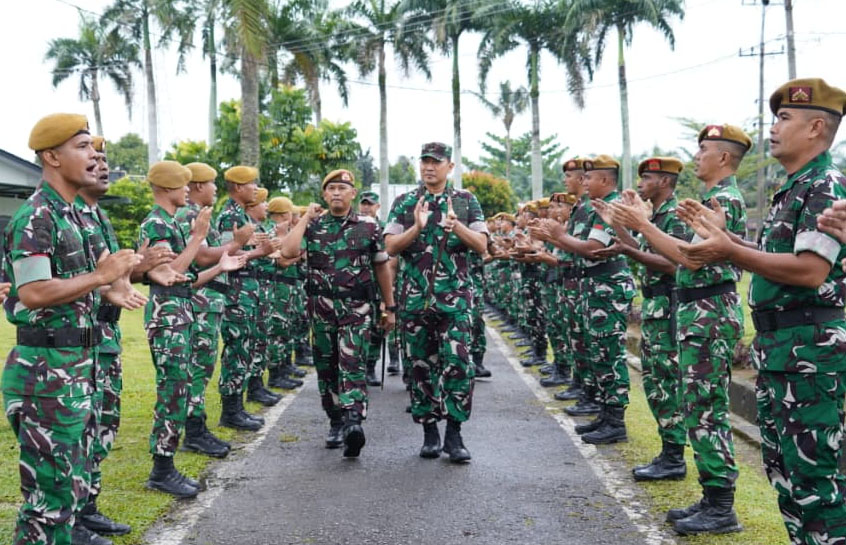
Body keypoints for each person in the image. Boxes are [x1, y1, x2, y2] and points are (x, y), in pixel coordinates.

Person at [681, 78, 846, 544]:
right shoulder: (794, 185)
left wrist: (726, 252)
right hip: (782, 348)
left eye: (783, 119)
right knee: (785, 473)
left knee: (813, 480)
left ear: (816, 127)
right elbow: (774, 254)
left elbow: (810, 270)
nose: (772, 129)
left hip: (809, 351)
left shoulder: (824, 184)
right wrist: (727, 238)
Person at [3, 113, 144, 545]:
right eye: (82, 147)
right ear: (52, 157)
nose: (94, 155)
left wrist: (108, 290)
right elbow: (34, 292)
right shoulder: (36, 216)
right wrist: (102, 278)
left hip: (78, 363)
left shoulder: (74, 216)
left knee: (71, 487)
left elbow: (74, 289)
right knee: (49, 502)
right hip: (45, 374)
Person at [610, 124, 750, 535]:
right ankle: (712, 498)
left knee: (707, 407)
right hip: (696, 309)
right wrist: (637, 223)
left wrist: (642, 224)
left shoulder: (724, 199)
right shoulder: (711, 199)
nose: (697, 155)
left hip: (708, 309)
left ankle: (722, 506)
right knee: (697, 405)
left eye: (704, 149)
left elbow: (688, 258)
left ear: (723, 157)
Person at [139, 161, 246, 498]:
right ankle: (161, 469)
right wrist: (198, 237)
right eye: (183, 184)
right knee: (172, 389)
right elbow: (171, 273)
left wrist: (220, 266)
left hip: (181, 311)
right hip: (167, 316)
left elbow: (188, 279)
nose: (188, 189)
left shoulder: (171, 222)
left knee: (181, 386)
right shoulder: (156, 224)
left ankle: (167, 463)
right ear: (168, 187)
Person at [384, 142, 488, 463]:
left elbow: (482, 245)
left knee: (458, 364)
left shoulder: (466, 201)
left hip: (455, 301)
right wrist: (417, 227)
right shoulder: (405, 202)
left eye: (436, 162)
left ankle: (454, 434)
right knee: (420, 366)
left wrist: (456, 225)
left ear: (449, 167)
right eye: (425, 162)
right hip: (414, 301)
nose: (429, 167)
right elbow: (389, 247)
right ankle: (429, 431)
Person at [280, 169, 395, 458]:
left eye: (342, 188)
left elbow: (381, 266)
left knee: (352, 364)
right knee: (327, 368)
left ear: (353, 194)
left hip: (357, 309)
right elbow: (287, 251)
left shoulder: (368, 227)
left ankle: (354, 422)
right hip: (321, 311)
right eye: (331, 188)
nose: (336, 193)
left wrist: (389, 305)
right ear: (323, 195)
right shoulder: (314, 227)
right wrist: (306, 217)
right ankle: (336, 421)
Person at [592, 157, 689, 481]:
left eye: (647, 177)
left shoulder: (673, 216)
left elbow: (672, 262)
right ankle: (668, 453)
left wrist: (628, 248)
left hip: (670, 305)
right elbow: (638, 247)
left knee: (668, 384)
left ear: (664, 181)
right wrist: (617, 225)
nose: (641, 182)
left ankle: (674, 458)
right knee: (655, 382)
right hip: (656, 307)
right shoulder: (656, 216)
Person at [531, 155, 635, 445]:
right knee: (597, 353)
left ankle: (615, 421)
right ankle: (604, 412)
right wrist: (560, 238)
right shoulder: (590, 207)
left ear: (604, 180)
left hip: (606, 287)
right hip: (592, 287)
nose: (582, 181)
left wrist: (558, 237)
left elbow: (591, 249)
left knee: (609, 355)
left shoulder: (610, 207)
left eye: (588, 177)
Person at [175, 162, 253, 458]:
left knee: (201, 367)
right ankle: (194, 431)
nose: (215, 189)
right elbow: (205, 256)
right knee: (196, 368)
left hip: (208, 300)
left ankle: (198, 427)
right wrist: (237, 243)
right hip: (200, 301)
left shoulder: (197, 213)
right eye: (211, 184)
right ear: (197, 186)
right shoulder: (191, 214)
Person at [215, 166, 275, 431]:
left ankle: (237, 405)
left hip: (248, 292)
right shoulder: (230, 217)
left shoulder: (240, 215)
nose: (255, 188)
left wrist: (259, 250)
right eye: (251, 184)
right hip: (236, 292)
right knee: (237, 348)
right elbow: (227, 257)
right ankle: (230, 409)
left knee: (246, 347)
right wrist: (258, 252)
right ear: (238, 187)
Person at [243, 188, 284, 407]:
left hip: (259, 290)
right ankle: (237, 402)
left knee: (259, 340)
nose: (265, 206)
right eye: (262, 202)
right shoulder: (239, 222)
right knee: (245, 345)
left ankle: (257, 385)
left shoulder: (259, 228)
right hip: (246, 291)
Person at [264, 196, 307, 389]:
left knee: (287, 328)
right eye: (291, 213)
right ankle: (276, 373)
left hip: (288, 285)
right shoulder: (273, 232)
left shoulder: (284, 232)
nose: (294, 216)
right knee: (278, 331)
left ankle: (284, 367)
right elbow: (281, 260)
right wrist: (297, 258)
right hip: (278, 286)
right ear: (282, 214)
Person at [358, 190, 386, 386]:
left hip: (379, 285)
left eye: (370, 204)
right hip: (358, 285)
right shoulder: (353, 226)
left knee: (378, 328)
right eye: (364, 203)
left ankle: (370, 367)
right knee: (357, 328)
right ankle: (355, 367)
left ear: (378, 207)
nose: (367, 207)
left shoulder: (385, 228)